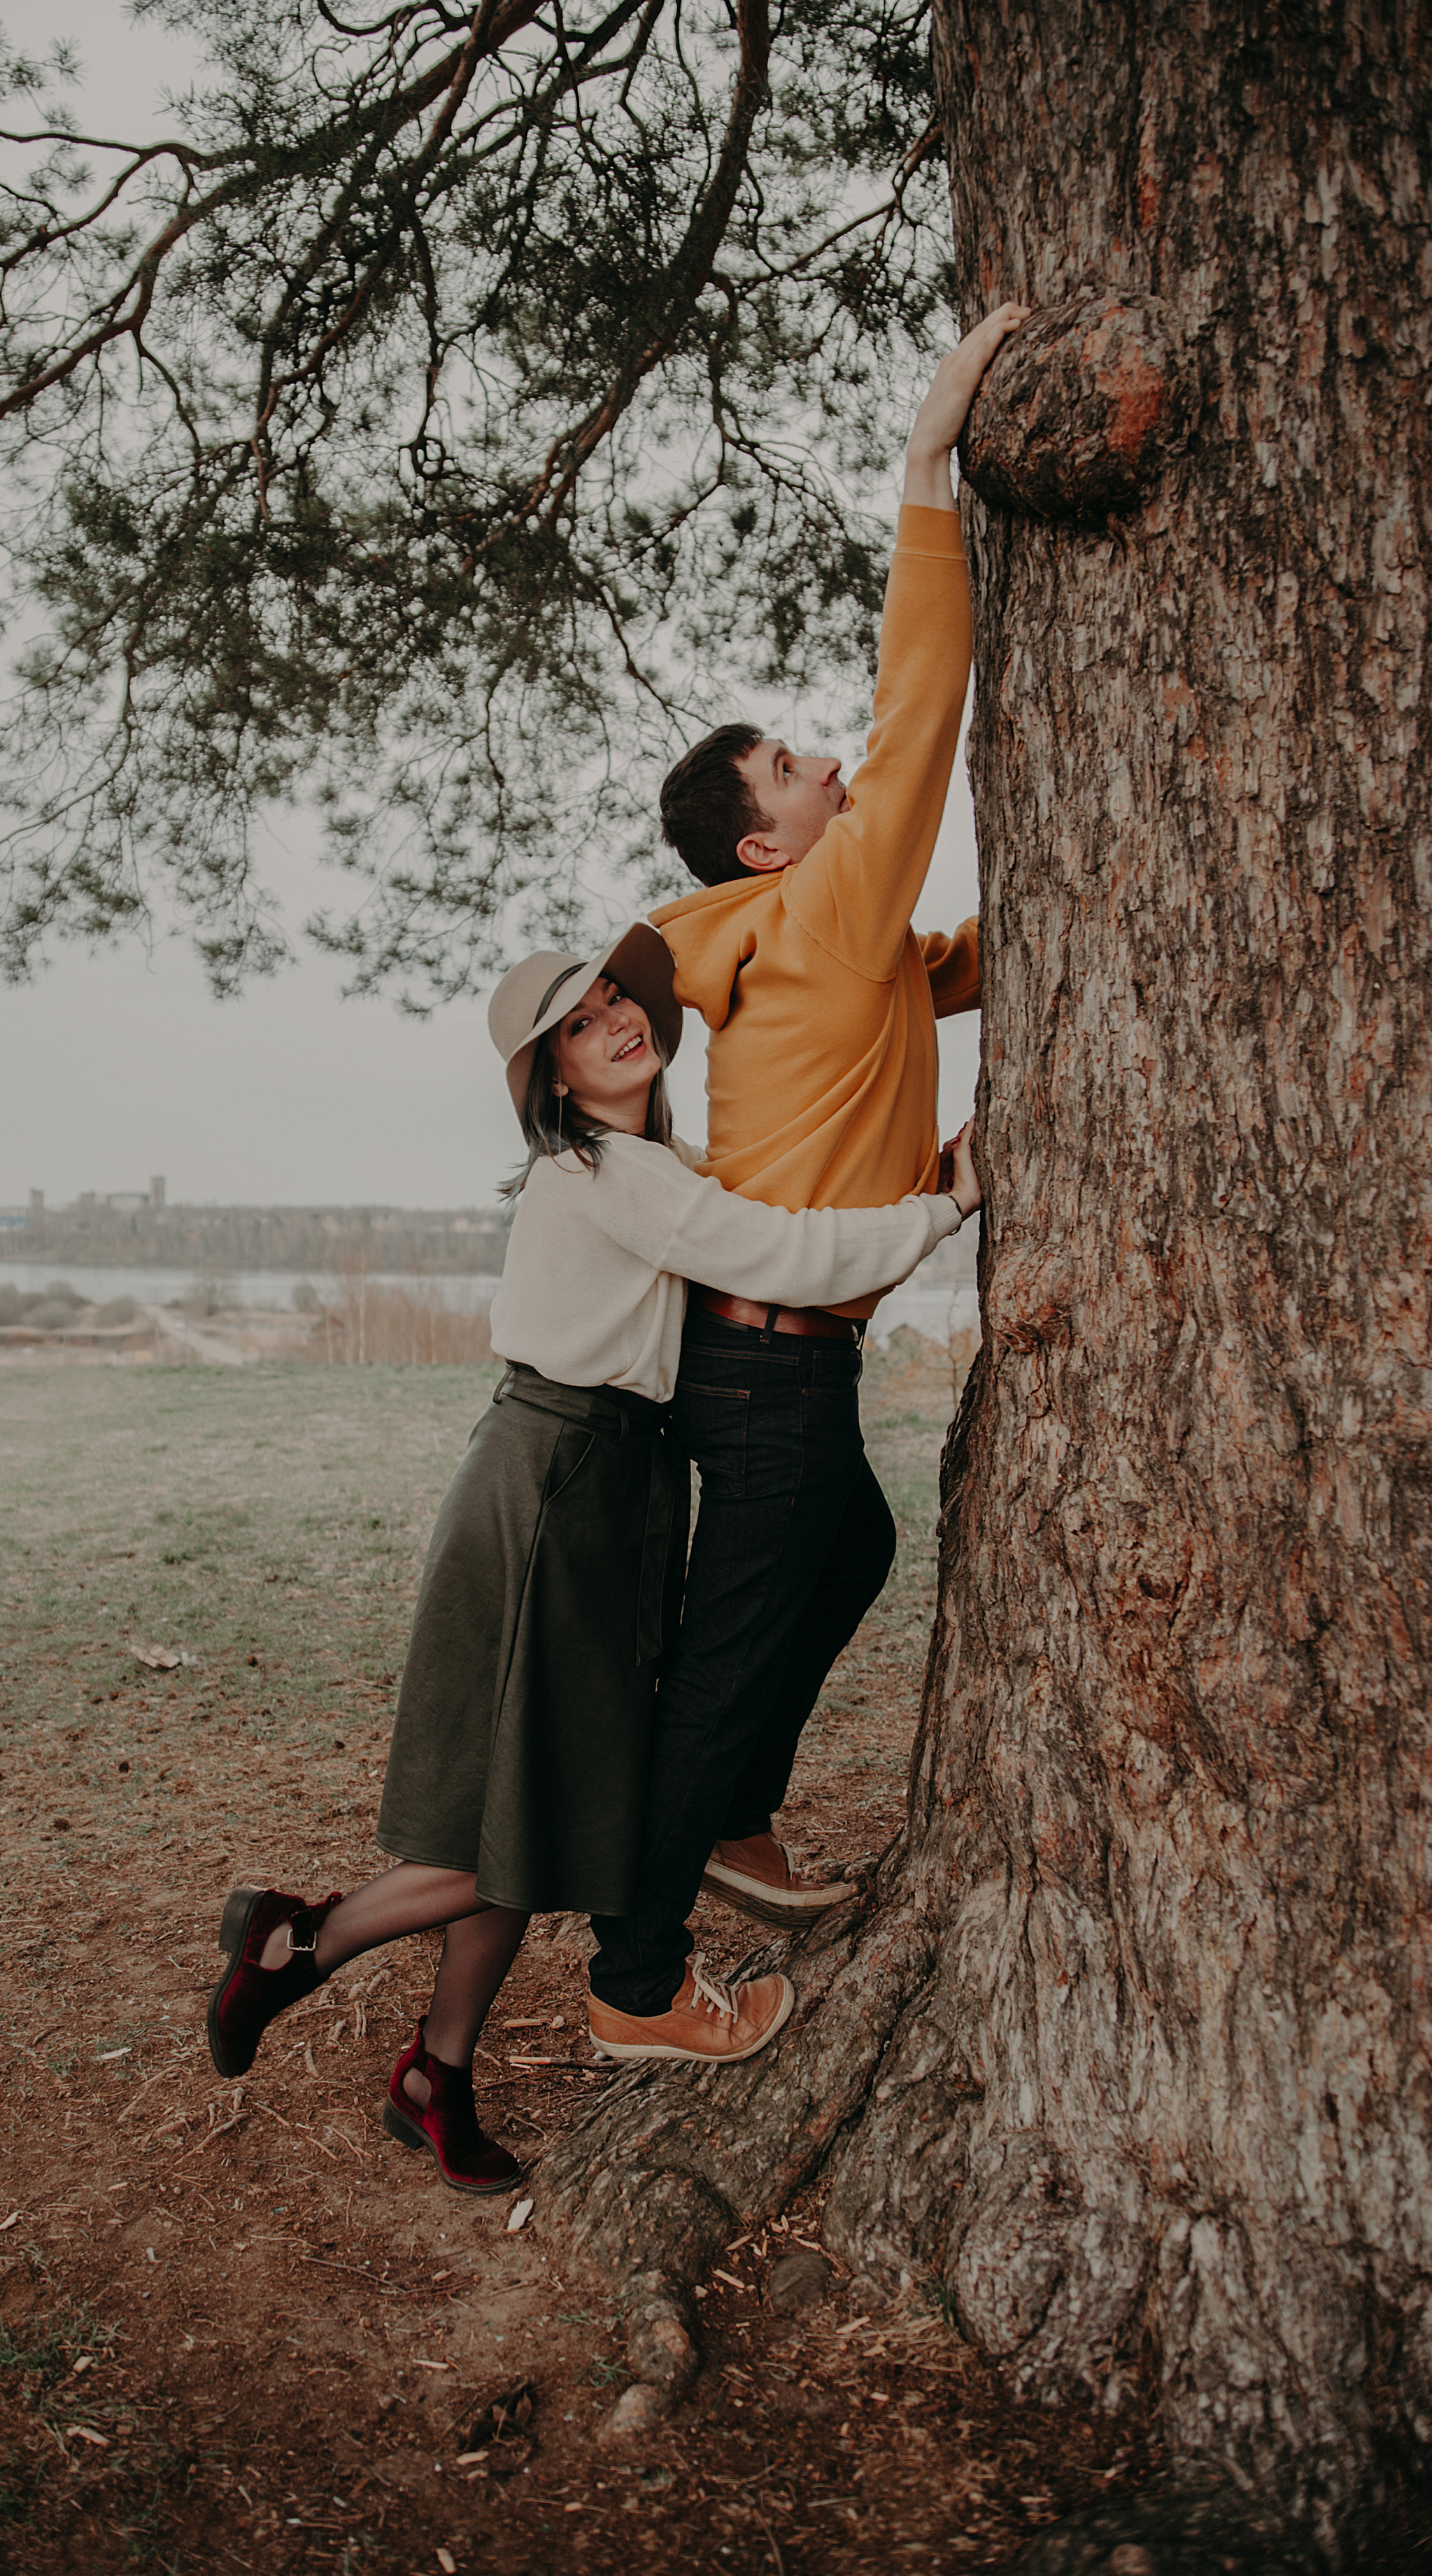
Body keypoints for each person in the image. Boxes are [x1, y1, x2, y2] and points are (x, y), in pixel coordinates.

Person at [206, 923, 976, 2186]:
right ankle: (302, 1942)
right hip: (557, 1483)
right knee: (535, 1816)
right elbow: (781, 1255)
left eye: (618, 997)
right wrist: (944, 1205)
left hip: (607, 1481)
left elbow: (767, 1214)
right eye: (579, 1024)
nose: (617, 1019)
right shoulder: (607, 1170)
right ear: (553, 1078)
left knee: (531, 1795)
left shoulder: (648, 1161)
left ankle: (436, 2072)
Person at [583, 304, 1026, 2054]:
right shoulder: (820, 907)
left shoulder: (803, 935)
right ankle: (631, 1986)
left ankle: (737, 1828)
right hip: (765, 1360)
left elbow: (943, 968)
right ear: (768, 842)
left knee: (845, 1540)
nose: (830, 763)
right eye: (794, 766)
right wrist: (922, 479)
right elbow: (917, 719)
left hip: (765, 1356)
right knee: (715, 1665)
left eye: (803, 748)